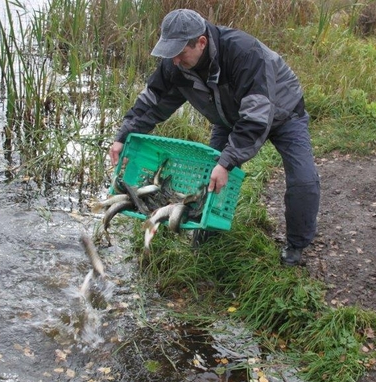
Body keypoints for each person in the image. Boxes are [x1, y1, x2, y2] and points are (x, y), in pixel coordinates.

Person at [109, 9, 320, 266]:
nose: (173, 60)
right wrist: (123, 135)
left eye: (179, 53)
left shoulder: (244, 53)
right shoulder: (175, 64)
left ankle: (296, 245)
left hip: (284, 115)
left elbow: (256, 118)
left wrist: (227, 162)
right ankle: (207, 236)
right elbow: (152, 102)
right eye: (170, 52)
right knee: (210, 181)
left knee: (303, 180)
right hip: (228, 118)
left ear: (201, 42)